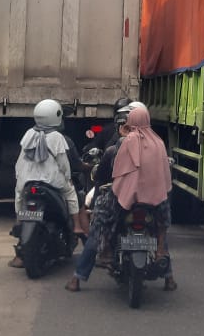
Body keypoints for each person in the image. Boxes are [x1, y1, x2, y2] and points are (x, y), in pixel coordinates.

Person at [66, 103, 177, 292]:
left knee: (99, 225)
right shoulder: (158, 144)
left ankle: (79, 277)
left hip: (126, 199)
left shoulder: (124, 143)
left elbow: (115, 173)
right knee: (161, 223)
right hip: (152, 200)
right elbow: (165, 175)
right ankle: (168, 275)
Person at [10, 98, 82, 268]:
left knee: (19, 196)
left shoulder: (29, 134)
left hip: (27, 179)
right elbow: (63, 163)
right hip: (51, 181)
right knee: (71, 192)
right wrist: (68, 176)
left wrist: (20, 176)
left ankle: (19, 222)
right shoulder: (57, 137)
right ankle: (77, 226)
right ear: (56, 116)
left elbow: (20, 160)